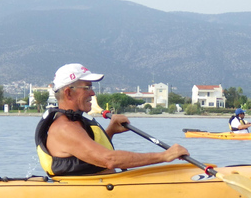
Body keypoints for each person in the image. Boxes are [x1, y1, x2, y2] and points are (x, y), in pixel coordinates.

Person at [35, 63, 189, 176]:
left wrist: (110, 131)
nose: (93, 93)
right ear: (68, 93)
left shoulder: (75, 123)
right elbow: (108, 159)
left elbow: (88, 154)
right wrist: (164, 156)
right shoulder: (65, 128)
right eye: (87, 87)